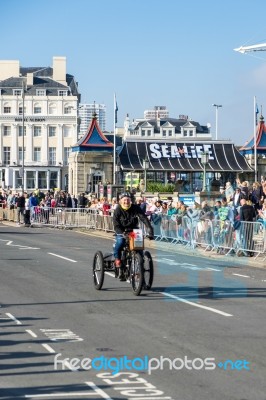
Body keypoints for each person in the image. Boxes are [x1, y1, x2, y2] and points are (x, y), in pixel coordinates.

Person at [113, 192, 154, 280]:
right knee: (120, 242)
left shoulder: (135, 208)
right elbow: (116, 225)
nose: (126, 201)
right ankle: (118, 259)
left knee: (139, 248)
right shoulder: (118, 210)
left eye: (128, 200)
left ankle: (140, 266)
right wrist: (121, 232)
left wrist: (150, 229)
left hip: (133, 231)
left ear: (130, 201)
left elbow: (143, 218)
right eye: (124, 200)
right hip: (121, 231)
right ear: (120, 201)